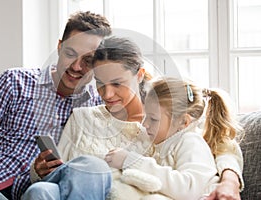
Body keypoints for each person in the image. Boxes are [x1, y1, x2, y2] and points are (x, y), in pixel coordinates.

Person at [28, 37, 244, 200]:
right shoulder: (83, 117)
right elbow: (58, 170)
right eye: (100, 84)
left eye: (117, 83)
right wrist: (39, 172)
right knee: (39, 191)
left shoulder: (165, 118)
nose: (107, 94)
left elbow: (221, 144)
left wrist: (230, 179)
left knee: (93, 167)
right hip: (67, 190)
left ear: (139, 75)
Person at [0, 11, 111, 200]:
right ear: (59, 47)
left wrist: (41, 172)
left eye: (88, 61)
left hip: (24, 193)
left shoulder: (96, 107)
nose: (76, 67)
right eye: (70, 54)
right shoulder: (15, 81)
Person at [105, 77, 244, 199]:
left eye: (153, 119)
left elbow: (189, 189)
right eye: (145, 116)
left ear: (183, 122)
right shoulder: (155, 140)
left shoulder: (190, 142)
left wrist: (131, 161)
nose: (145, 124)